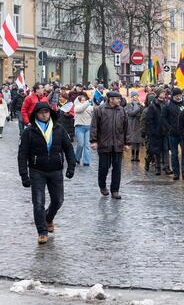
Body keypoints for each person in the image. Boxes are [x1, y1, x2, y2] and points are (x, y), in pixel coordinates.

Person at [17, 102, 76, 244]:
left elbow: (68, 148)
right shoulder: (29, 132)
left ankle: (48, 218)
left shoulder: (59, 129)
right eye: (41, 112)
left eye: (46, 112)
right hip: (37, 170)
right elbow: (22, 154)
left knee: (58, 200)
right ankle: (42, 232)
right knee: (38, 203)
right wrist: (24, 175)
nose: (44, 114)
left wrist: (71, 166)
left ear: (50, 113)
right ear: (36, 114)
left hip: (56, 170)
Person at [90, 91, 129, 199]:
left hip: (118, 144)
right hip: (104, 143)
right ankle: (102, 186)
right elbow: (94, 126)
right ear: (111, 99)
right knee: (104, 168)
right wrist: (93, 141)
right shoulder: (100, 110)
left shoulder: (122, 110)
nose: (119, 100)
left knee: (117, 169)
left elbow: (126, 127)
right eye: (117, 98)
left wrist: (126, 142)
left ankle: (115, 190)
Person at [162, 87, 184, 180]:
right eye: (177, 96)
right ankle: (176, 173)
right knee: (174, 154)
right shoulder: (168, 106)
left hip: (183, 133)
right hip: (172, 134)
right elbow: (163, 118)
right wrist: (169, 128)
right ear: (173, 96)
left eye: (180, 95)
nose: (179, 97)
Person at [143, 88, 168, 175]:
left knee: (164, 149)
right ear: (158, 94)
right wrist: (152, 131)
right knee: (154, 150)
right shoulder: (152, 106)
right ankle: (154, 165)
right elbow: (149, 120)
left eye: (164, 92)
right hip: (155, 131)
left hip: (164, 131)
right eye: (162, 92)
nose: (164, 94)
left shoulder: (166, 104)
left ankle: (166, 167)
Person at [73, 93, 93, 166]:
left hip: (88, 127)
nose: (83, 101)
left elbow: (96, 110)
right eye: (82, 100)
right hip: (79, 127)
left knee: (87, 145)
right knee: (80, 144)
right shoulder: (76, 107)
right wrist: (88, 101)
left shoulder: (89, 107)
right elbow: (81, 108)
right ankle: (77, 158)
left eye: (85, 100)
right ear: (78, 101)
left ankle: (86, 161)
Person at [126, 90, 144, 162]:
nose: (135, 97)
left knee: (138, 141)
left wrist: (141, 108)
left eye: (136, 96)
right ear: (132, 97)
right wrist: (138, 110)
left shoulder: (140, 104)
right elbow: (130, 113)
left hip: (138, 124)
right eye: (134, 96)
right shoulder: (129, 105)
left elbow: (142, 113)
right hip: (132, 124)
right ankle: (133, 156)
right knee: (133, 141)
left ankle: (137, 156)